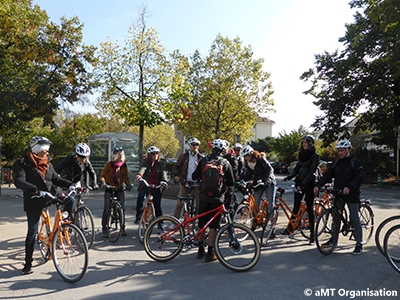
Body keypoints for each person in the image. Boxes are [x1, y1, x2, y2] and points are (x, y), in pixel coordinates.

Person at [13, 136, 74, 275]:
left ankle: (64, 227)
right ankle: (28, 263)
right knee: (32, 232)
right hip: (34, 199)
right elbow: (18, 180)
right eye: (45, 151)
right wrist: (32, 188)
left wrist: (70, 184)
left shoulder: (48, 163)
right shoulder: (23, 163)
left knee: (71, 200)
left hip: (49, 196)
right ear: (37, 150)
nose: (47, 154)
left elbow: (56, 179)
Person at [313, 140, 365, 254]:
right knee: (335, 216)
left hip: (351, 194)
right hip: (338, 193)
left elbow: (359, 177)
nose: (340, 153)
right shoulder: (336, 162)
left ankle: (359, 243)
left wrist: (350, 187)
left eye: (342, 151)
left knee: (354, 218)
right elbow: (327, 175)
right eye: (338, 151)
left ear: (348, 150)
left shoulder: (355, 162)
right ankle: (333, 239)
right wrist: (318, 185)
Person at [192, 139, 235, 262]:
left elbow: (194, 177)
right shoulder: (225, 162)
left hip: (204, 196)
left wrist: (200, 171)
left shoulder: (204, 160)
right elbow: (231, 182)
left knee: (202, 223)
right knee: (213, 226)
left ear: (212, 148)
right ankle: (210, 252)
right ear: (222, 150)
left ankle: (200, 249)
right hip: (217, 198)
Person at [283, 135, 319, 245]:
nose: (304, 144)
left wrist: (303, 185)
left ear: (310, 143)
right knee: (296, 207)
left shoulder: (314, 156)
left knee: (309, 209)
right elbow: (297, 168)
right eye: (303, 143)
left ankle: (312, 236)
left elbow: (312, 172)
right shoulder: (302, 155)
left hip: (309, 184)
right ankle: (290, 228)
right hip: (300, 182)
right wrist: (289, 177)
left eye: (306, 143)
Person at [241, 145, 276, 233]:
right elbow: (248, 174)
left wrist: (266, 180)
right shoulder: (248, 163)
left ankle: (272, 227)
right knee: (255, 204)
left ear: (251, 154)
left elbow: (270, 169)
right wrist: (242, 180)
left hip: (268, 182)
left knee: (270, 204)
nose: (245, 158)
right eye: (244, 157)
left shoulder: (261, 159)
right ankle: (255, 223)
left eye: (246, 156)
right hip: (259, 182)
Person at [99, 147, 131, 237]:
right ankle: (104, 228)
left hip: (119, 188)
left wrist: (128, 184)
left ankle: (122, 227)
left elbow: (126, 177)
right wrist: (102, 181)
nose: (122, 156)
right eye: (120, 155)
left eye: (122, 155)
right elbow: (103, 175)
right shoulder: (109, 165)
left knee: (122, 208)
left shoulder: (124, 166)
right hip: (110, 187)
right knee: (107, 208)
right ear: (115, 156)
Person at [172, 138, 204, 219]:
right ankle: (175, 221)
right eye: (193, 145)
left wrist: (200, 168)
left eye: (197, 145)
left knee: (200, 202)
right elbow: (176, 166)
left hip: (196, 183)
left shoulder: (201, 157)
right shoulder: (184, 155)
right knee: (180, 202)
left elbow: (204, 170)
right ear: (190, 146)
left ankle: (200, 221)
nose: (195, 146)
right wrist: (176, 175)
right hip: (185, 182)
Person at [135, 146, 168, 223]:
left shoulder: (161, 164)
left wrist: (164, 181)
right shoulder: (146, 163)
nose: (155, 155)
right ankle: (138, 216)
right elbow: (143, 169)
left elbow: (163, 172)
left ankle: (161, 225)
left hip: (156, 186)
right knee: (140, 197)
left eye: (157, 153)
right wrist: (139, 175)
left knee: (157, 206)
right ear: (149, 155)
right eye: (153, 154)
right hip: (147, 185)